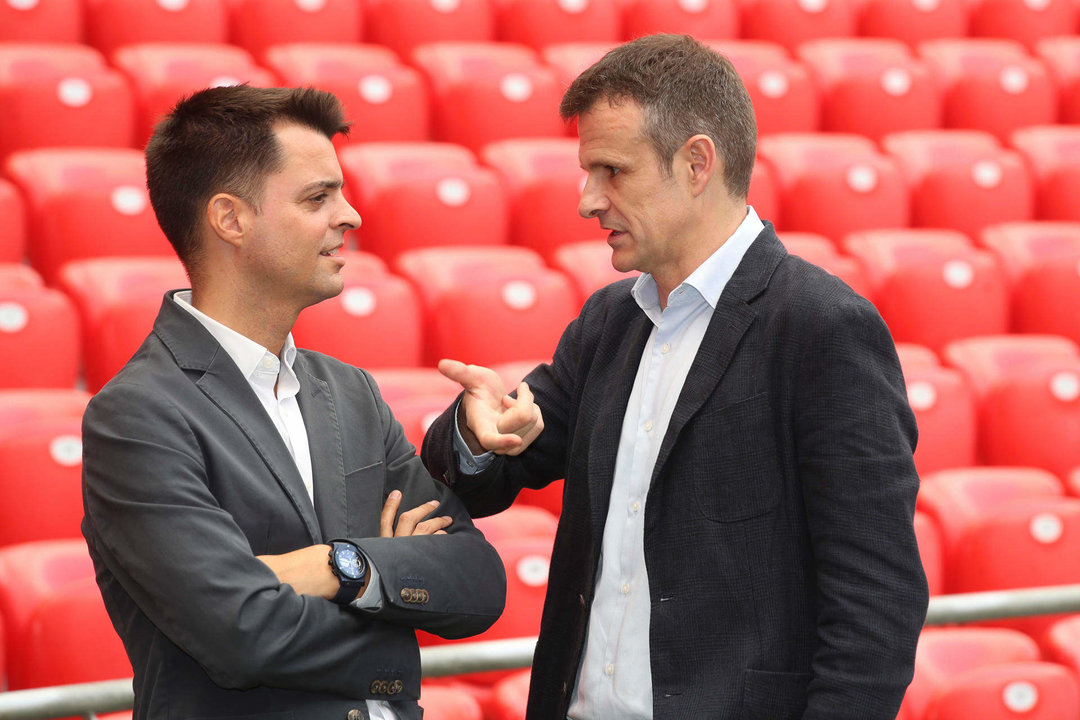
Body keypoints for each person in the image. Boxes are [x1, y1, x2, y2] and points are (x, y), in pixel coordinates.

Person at [422, 34, 928, 720]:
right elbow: (486, 476)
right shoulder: (609, 322)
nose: (586, 201)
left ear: (696, 163)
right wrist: (479, 433)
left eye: (612, 171)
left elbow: (878, 599)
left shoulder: (822, 326)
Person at [81, 85, 506, 720]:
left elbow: (477, 580)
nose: (351, 215)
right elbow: (243, 632)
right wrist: (396, 618)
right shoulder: (136, 417)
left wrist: (342, 566)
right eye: (318, 197)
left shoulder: (349, 390)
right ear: (231, 219)